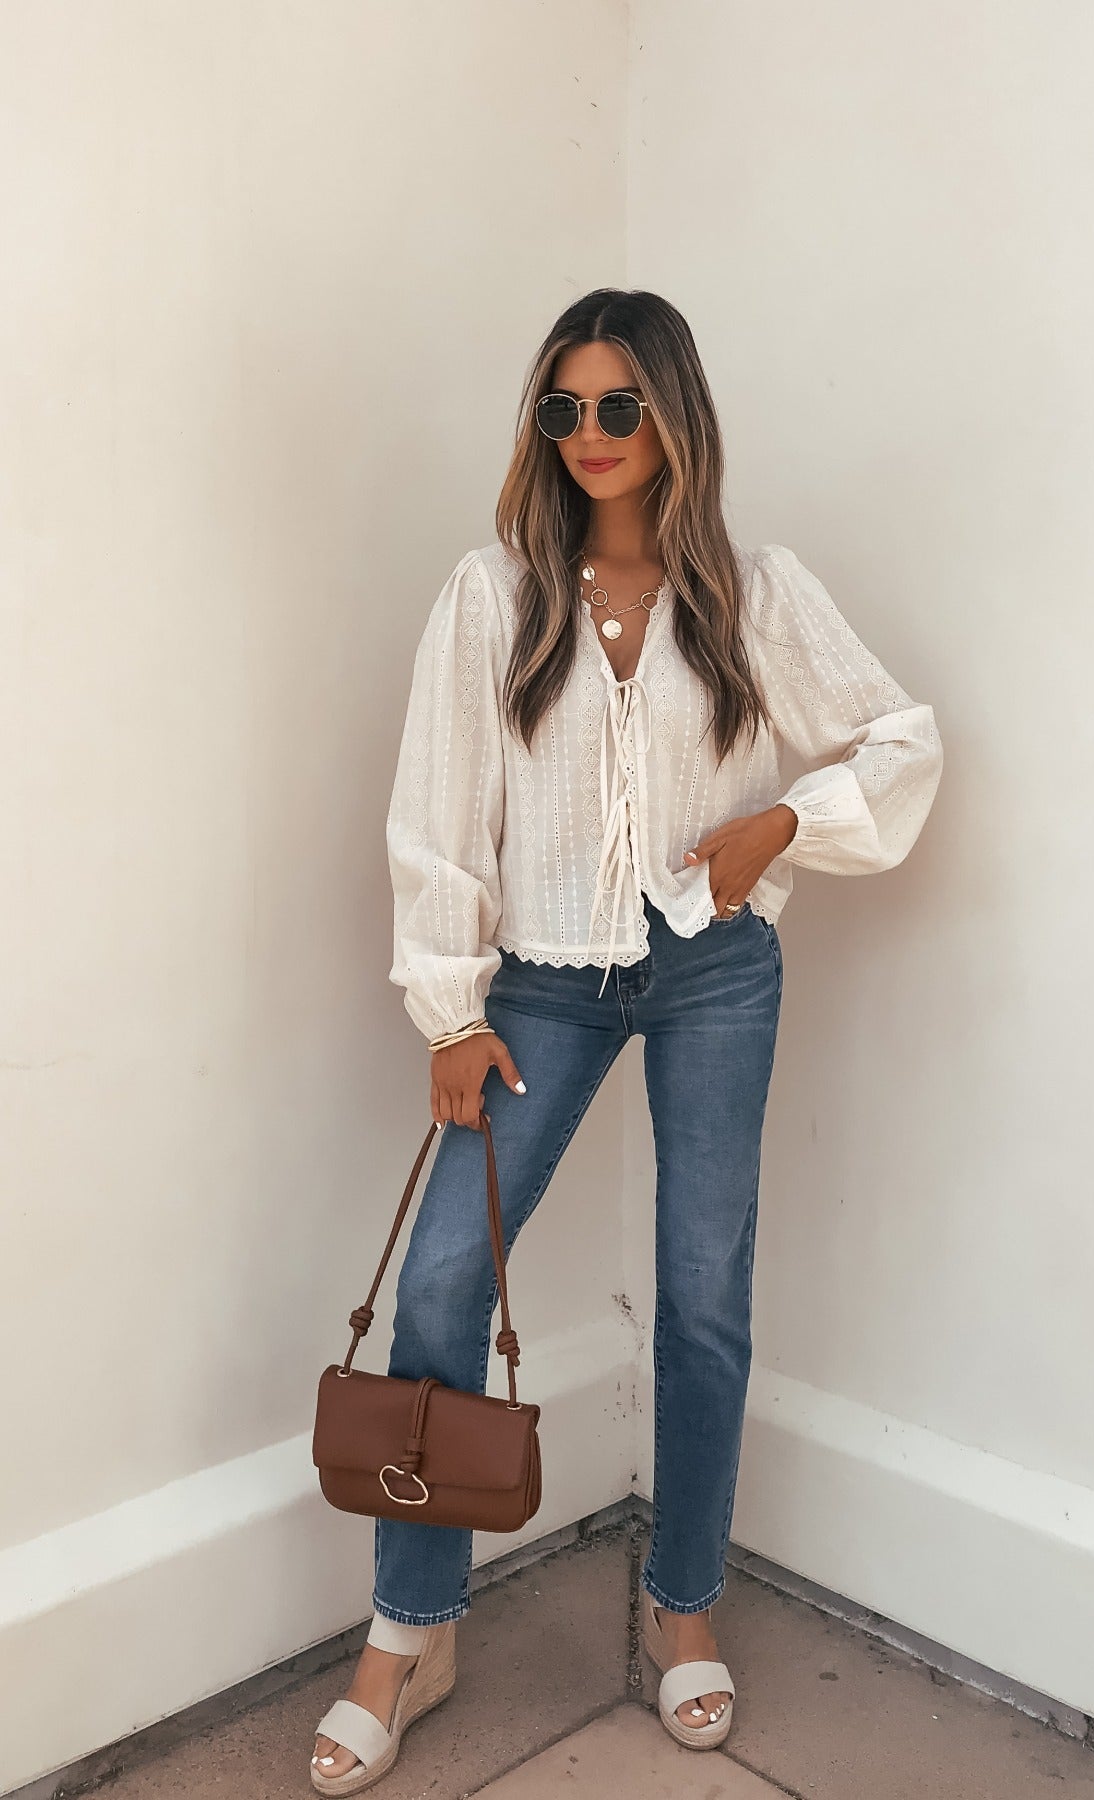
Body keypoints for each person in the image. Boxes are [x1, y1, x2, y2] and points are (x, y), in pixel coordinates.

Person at [311, 287, 944, 1790]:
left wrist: (785, 818)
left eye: (617, 405)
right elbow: (438, 807)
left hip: (715, 968)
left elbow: (903, 738)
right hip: (536, 978)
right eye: (563, 409)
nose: (590, 436)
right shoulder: (492, 594)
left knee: (703, 1294)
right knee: (444, 1288)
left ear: (673, 415)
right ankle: (412, 1626)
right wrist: (450, 1007)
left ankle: (683, 1606)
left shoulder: (752, 591)